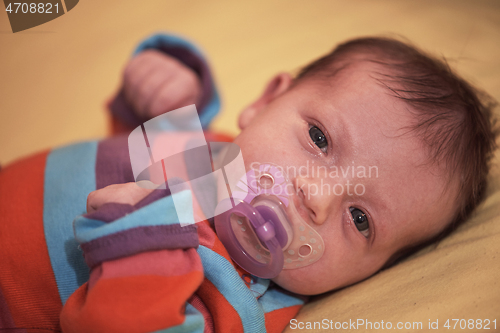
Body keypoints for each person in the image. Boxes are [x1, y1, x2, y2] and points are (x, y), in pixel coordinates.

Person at [0, 34, 496, 333]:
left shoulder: (241, 297)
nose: (316, 197)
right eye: (319, 138)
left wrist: (142, 252)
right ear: (265, 103)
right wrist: (159, 91)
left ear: (376, 272)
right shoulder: (214, 151)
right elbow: (131, 150)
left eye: (360, 219)